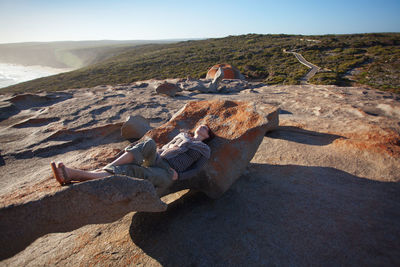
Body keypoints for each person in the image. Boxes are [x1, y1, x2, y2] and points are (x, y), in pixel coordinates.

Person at [50, 124, 214, 195]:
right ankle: (102, 170)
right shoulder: (182, 135)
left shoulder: (205, 150)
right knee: (148, 142)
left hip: (167, 172)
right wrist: (155, 152)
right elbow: (166, 146)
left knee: (133, 170)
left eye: (206, 128)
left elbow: (197, 169)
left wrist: (180, 176)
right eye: (202, 125)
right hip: (158, 157)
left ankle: (76, 175)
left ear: (207, 136)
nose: (203, 126)